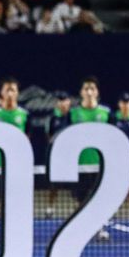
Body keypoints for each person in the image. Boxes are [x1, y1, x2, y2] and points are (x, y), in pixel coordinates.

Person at [0, 78, 28, 244]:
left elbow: (26, 139)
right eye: (7, 90)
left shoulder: (24, 115)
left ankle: (14, 230)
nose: (10, 93)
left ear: (17, 93)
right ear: (2, 93)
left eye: (13, 90)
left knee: (15, 199)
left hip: (16, 166)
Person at [69, 77, 112, 241]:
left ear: (97, 92)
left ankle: (99, 229)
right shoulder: (73, 113)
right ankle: (83, 229)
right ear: (81, 92)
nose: (88, 92)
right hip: (79, 164)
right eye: (86, 88)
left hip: (100, 164)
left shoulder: (106, 113)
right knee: (81, 199)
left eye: (92, 88)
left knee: (98, 198)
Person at [44, 90, 71, 218]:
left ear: (69, 102)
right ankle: (50, 207)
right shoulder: (52, 117)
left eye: (64, 100)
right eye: (60, 100)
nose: (62, 103)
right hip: (57, 156)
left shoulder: (73, 116)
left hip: (72, 155)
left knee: (77, 187)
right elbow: (49, 136)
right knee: (54, 184)